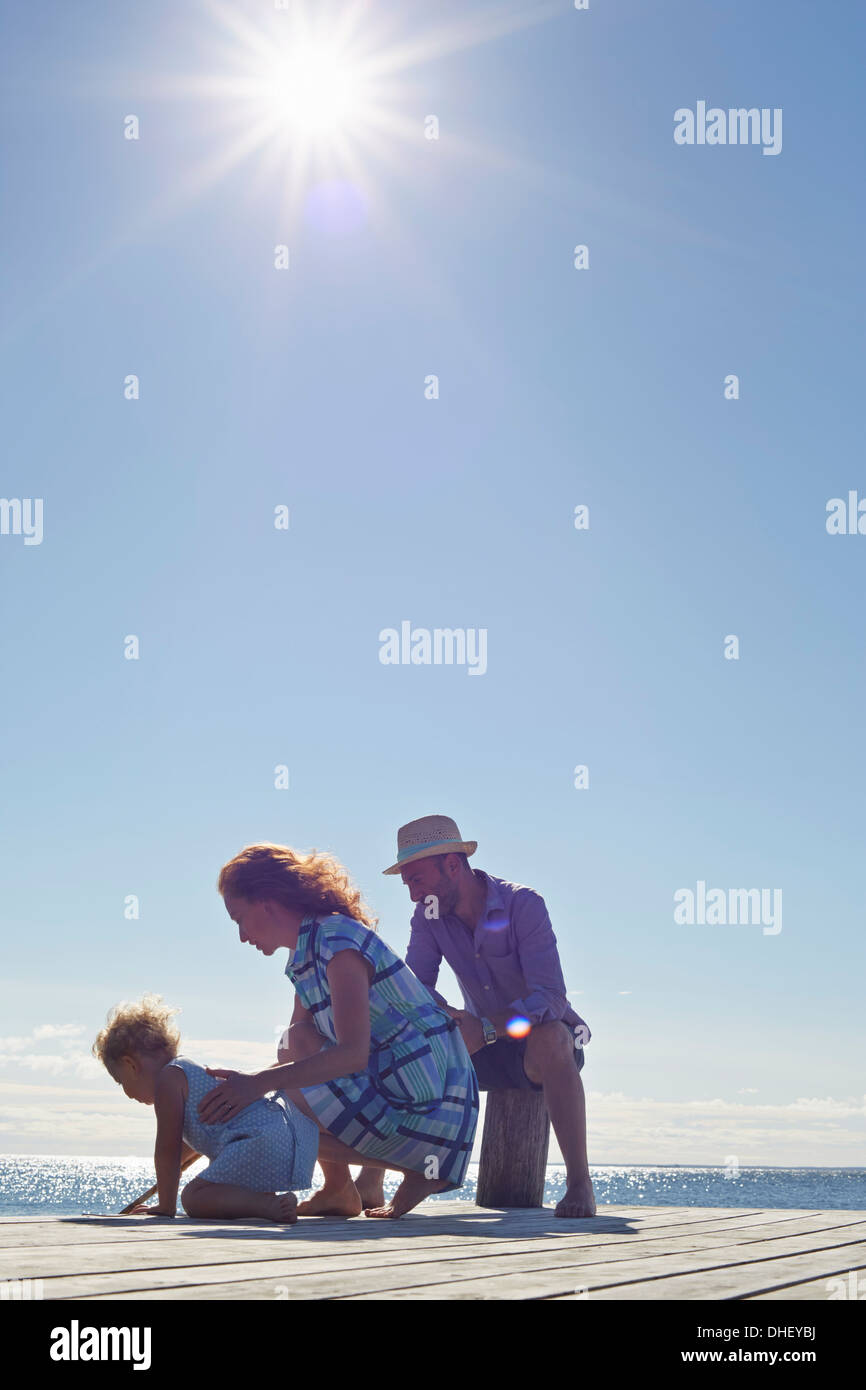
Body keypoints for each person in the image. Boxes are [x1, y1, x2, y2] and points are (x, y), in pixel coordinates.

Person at [197, 842, 479, 1219]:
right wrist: (239, 1097)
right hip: (396, 1086)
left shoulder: (336, 939)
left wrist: (257, 1084)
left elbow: (351, 1054)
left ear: (266, 901)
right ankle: (341, 1188)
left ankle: (422, 1166)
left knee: (289, 1067)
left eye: (239, 919)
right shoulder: (304, 957)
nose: (241, 935)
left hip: (432, 1096)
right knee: (291, 1044)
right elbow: (301, 1053)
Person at [355, 815, 596, 1219]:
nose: (414, 895)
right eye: (407, 884)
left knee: (553, 1036)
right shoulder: (427, 917)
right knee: (399, 1041)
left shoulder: (524, 904)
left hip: (537, 1045)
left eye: (417, 880)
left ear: (452, 865)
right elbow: (417, 990)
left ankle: (579, 1184)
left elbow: (550, 997)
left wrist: (486, 1028)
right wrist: (448, 1018)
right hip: (477, 1046)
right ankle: (371, 1180)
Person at [93, 993, 318, 1222]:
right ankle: (267, 1202)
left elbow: (167, 1149)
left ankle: (268, 1205)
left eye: (121, 1082)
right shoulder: (187, 1073)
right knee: (224, 1188)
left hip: (258, 1141)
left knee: (194, 1197)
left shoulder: (168, 1081)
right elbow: (203, 1138)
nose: (127, 1093)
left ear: (131, 1066)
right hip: (285, 1141)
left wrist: (165, 1206)